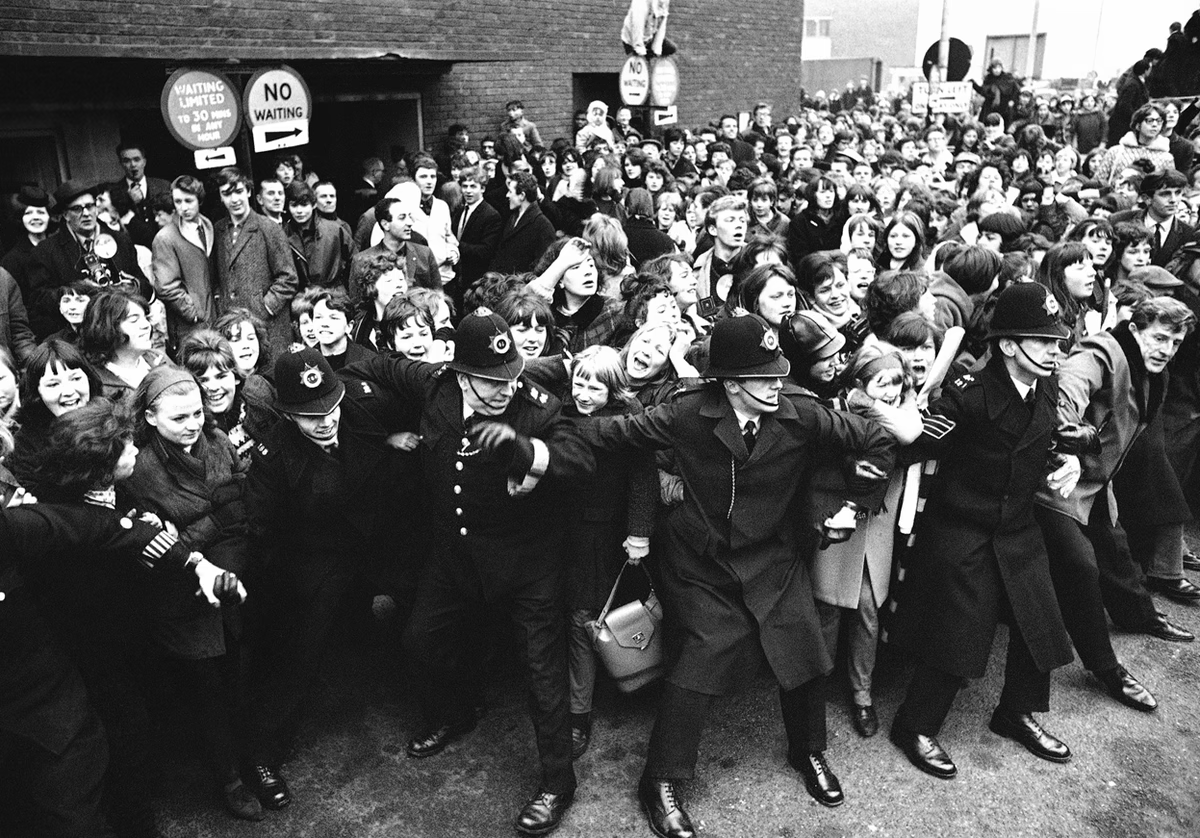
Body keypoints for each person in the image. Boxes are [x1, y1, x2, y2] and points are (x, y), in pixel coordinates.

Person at [576, 314, 894, 835]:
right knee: (705, 652)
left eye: (778, 373)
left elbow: (877, 440)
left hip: (772, 557)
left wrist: (853, 506)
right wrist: (538, 434)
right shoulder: (685, 413)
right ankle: (660, 779)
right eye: (761, 377)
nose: (775, 385)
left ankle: (807, 750)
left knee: (803, 646)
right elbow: (614, 432)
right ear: (728, 383)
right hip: (698, 561)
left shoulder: (801, 414)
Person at [343, 310, 596, 836]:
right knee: (419, 640)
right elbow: (380, 364)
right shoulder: (435, 385)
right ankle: (456, 712)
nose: (505, 389)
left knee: (541, 672)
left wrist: (522, 451)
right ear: (461, 376)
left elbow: (579, 459)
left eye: (511, 375)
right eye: (490, 380)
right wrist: (325, 372)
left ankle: (557, 782)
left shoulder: (536, 407)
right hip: (454, 556)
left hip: (525, 563)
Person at [889, 282, 1078, 781]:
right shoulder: (968, 396)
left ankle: (1015, 712)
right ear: (1009, 345)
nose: (1055, 352)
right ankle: (914, 725)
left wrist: (1068, 460)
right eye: (1044, 342)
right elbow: (912, 447)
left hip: (1016, 527)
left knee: (1040, 617)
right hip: (962, 530)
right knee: (961, 631)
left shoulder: (1045, 384)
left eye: (1057, 342)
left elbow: (1042, 440)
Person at [241, 348, 399, 811]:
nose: (327, 422)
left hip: (377, 541)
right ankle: (261, 757)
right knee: (298, 656)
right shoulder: (272, 455)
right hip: (316, 560)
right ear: (289, 415)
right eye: (311, 416)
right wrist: (286, 590)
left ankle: (446, 704)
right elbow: (263, 531)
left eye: (331, 408)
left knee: (422, 611)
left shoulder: (363, 411)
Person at [1034, 297, 1195, 715]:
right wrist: (1069, 445)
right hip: (1057, 484)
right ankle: (1106, 668)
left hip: (1095, 485)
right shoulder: (1102, 351)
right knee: (1080, 567)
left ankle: (1139, 616)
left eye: (1175, 342)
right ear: (1135, 329)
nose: (1166, 349)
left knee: (1115, 551)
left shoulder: (1150, 370)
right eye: (1159, 338)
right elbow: (1065, 393)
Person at [119, 365, 261, 821]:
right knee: (206, 690)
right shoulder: (139, 469)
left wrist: (201, 527)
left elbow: (244, 507)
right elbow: (156, 544)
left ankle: (253, 761)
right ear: (150, 417)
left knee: (240, 677)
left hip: (234, 576)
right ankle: (229, 780)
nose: (193, 424)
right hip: (179, 593)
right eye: (179, 418)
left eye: (197, 413)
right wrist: (215, 520)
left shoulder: (217, 443)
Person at [27, 179, 151, 340]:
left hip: (122, 334)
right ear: (65, 214)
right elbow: (38, 300)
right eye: (77, 209)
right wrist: (76, 292)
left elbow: (145, 287)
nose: (86, 213)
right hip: (78, 338)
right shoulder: (45, 251)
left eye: (90, 206)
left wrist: (132, 285)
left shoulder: (121, 240)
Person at [211, 168, 299, 355]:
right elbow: (217, 278)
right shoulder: (218, 230)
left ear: (249, 192)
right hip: (234, 327)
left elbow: (288, 278)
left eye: (239, 191)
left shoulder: (268, 228)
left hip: (269, 327)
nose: (234, 199)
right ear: (220, 197)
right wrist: (222, 304)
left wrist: (264, 307)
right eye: (227, 193)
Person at [151, 175, 217, 352]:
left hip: (214, 317)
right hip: (189, 325)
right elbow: (166, 286)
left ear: (199, 200)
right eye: (178, 202)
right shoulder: (165, 238)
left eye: (189, 201)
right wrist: (193, 312)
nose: (183, 207)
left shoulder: (208, 226)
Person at [349, 197, 441, 292]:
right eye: (402, 218)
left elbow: (438, 296)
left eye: (409, 217)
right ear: (385, 224)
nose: (410, 223)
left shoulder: (425, 254)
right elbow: (357, 300)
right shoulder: (362, 261)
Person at [1110, 169, 1193, 268]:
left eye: (1178, 193)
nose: (1173, 200)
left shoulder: (1189, 234)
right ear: (1147, 199)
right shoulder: (1119, 220)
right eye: (1165, 194)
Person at [283, 182, 355, 290]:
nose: (299, 211)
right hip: (300, 295)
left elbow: (354, 262)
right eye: (294, 205)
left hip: (333, 293)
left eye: (304, 205)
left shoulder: (335, 230)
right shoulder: (282, 234)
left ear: (314, 205)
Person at [489, 171, 557, 273]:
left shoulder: (543, 226)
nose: (507, 195)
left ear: (522, 195)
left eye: (510, 192)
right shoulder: (512, 218)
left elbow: (542, 267)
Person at [108, 141, 171, 248]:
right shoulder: (113, 193)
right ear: (121, 164)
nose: (133, 165)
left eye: (137, 159)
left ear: (144, 162)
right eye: (127, 161)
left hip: (165, 245)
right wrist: (130, 202)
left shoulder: (163, 186)